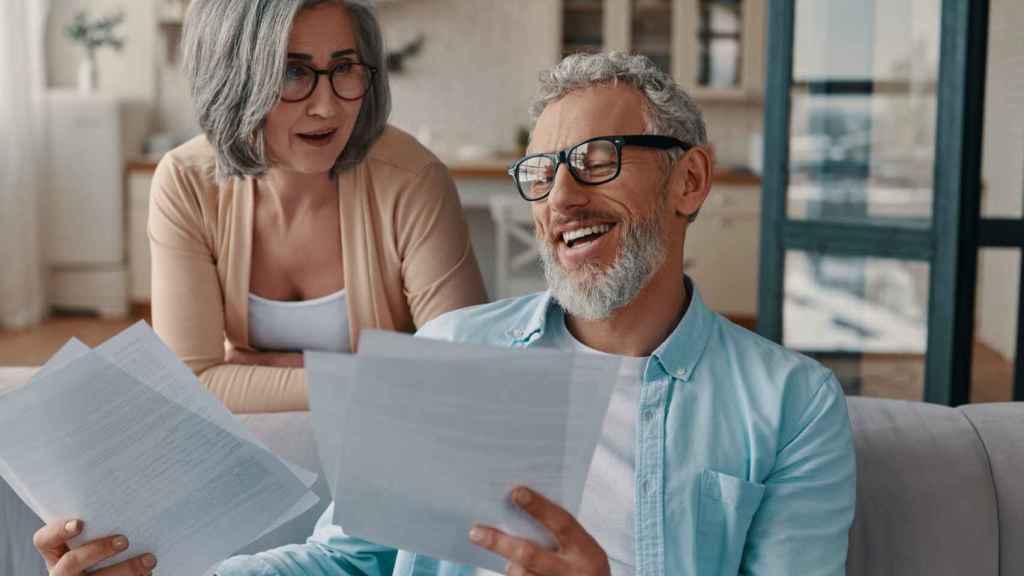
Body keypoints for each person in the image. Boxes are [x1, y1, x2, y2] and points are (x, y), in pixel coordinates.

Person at [212, 51, 857, 576]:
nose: (562, 199)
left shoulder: (791, 404)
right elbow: (341, 560)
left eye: (596, 161)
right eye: (541, 173)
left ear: (689, 179)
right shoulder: (448, 349)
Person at [31, 0, 486, 573]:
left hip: (391, 478)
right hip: (262, 478)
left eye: (344, 67)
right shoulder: (187, 182)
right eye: (293, 72)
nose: (327, 104)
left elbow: (471, 382)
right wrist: (379, 371)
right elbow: (190, 382)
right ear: (235, 77)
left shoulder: (412, 180)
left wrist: (256, 369)